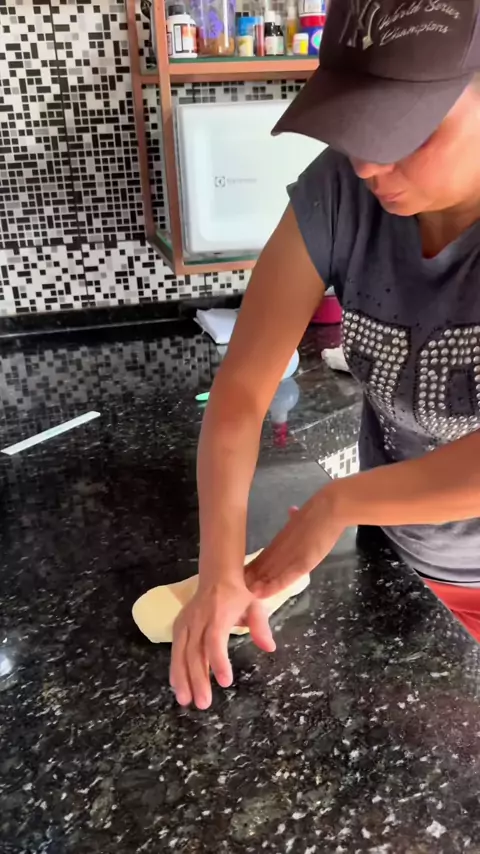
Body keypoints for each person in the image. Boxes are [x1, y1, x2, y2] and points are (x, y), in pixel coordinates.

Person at [170, 0, 480, 710]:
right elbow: (243, 392)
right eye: (357, 124)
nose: (368, 162)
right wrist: (218, 567)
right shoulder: (341, 191)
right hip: (399, 559)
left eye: (404, 129)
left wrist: (338, 503)